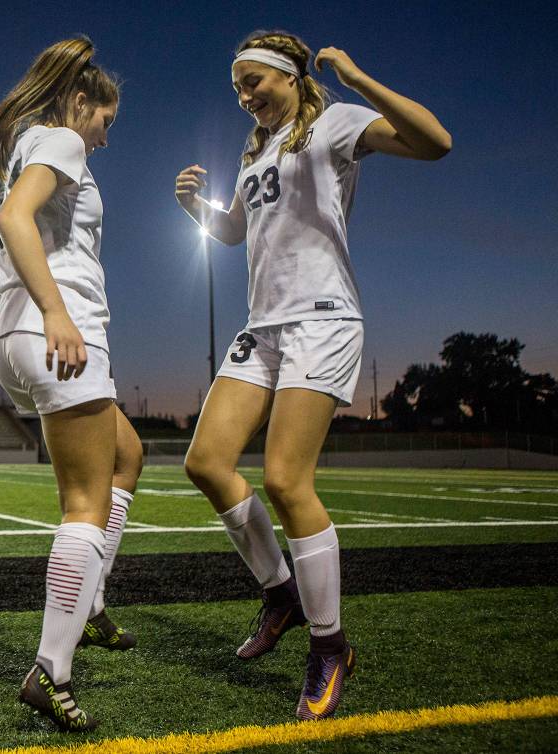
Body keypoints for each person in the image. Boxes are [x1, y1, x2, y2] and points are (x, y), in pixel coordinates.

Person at [175, 30, 451, 722]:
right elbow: (239, 232)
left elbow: (436, 141)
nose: (244, 96)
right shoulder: (256, 150)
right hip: (263, 326)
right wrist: (197, 214)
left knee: (285, 481)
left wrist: (357, 76)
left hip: (324, 319)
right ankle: (280, 593)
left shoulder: (333, 122)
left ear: (291, 75)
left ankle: (331, 647)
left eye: (254, 81)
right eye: (237, 87)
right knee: (207, 462)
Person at [0, 36, 143, 732]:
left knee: (128, 454)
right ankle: (51, 670)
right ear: (80, 102)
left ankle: (90, 603)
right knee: (83, 505)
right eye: (105, 122)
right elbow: (16, 220)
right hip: (58, 334)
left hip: (9, 342)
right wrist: (57, 310)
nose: (102, 139)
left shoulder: (6, 158)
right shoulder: (59, 139)